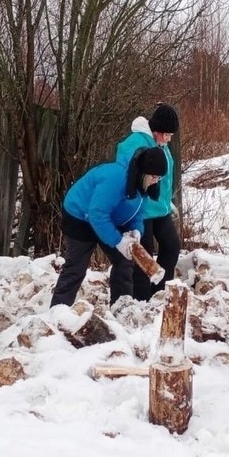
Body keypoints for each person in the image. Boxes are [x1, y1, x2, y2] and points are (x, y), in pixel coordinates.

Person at [50, 146, 169, 308]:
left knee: (124, 260)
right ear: (143, 171)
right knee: (76, 268)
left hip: (107, 218)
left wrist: (136, 230)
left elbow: (139, 213)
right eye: (154, 176)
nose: (156, 181)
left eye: (159, 178)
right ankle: (57, 311)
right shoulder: (116, 179)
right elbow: (97, 214)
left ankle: (122, 308)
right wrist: (118, 241)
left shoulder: (144, 185)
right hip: (79, 216)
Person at [115, 103, 181, 300]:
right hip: (140, 209)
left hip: (160, 208)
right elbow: (127, 176)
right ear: (156, 130)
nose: (169, 139)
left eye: (171, 135)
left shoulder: (161, 144)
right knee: (144, 256)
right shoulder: (136, 143)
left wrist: (167, 202)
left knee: (171, 246)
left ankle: (159, 293)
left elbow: (164, 178)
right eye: (166, 134)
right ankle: (141, 300)